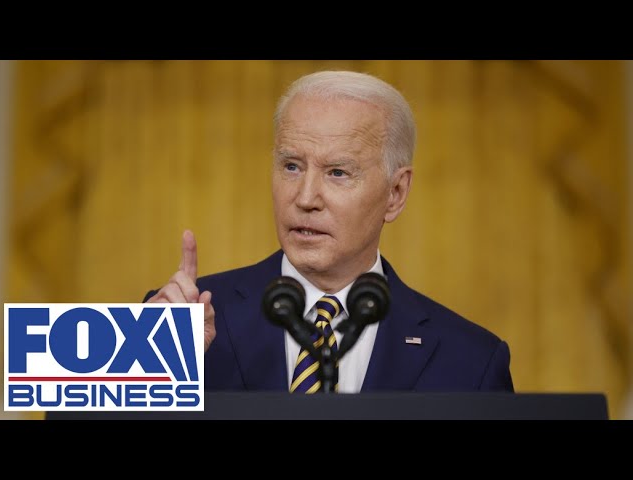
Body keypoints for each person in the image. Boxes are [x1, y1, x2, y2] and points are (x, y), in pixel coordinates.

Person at [145, 70, 514, 393]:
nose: (305, 198)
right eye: (291, 166)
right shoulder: (185, 320)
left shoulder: (471, 360)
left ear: (395, 193)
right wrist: (151, 361)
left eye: (338, 172)